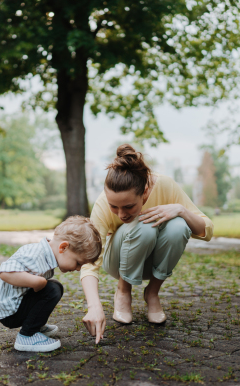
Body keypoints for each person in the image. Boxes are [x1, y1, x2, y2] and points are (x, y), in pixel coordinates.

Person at [81, 144, 214, 343]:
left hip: (151, 263)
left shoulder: (165, 185)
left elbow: (207, 230)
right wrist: (94, 306)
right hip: (118, 261)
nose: (121, 214)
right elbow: (89, 261)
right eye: (114, 207)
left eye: (128, 206)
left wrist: (180, 210)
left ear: (144, 191)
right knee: (143, 225)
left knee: (179, 225)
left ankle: (152, 292)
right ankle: (123, 291)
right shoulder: (101, 203)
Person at [0, 216, 101, 352]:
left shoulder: (46, 255)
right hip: (10, 312)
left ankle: (34, 324)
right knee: (52, 289)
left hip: (17, 306)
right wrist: (36, 281)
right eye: (78, 262)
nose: (78, 269)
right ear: (63, 247)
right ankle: (27, 335)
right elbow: (4, 272)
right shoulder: (36, 254)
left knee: (55, 287)